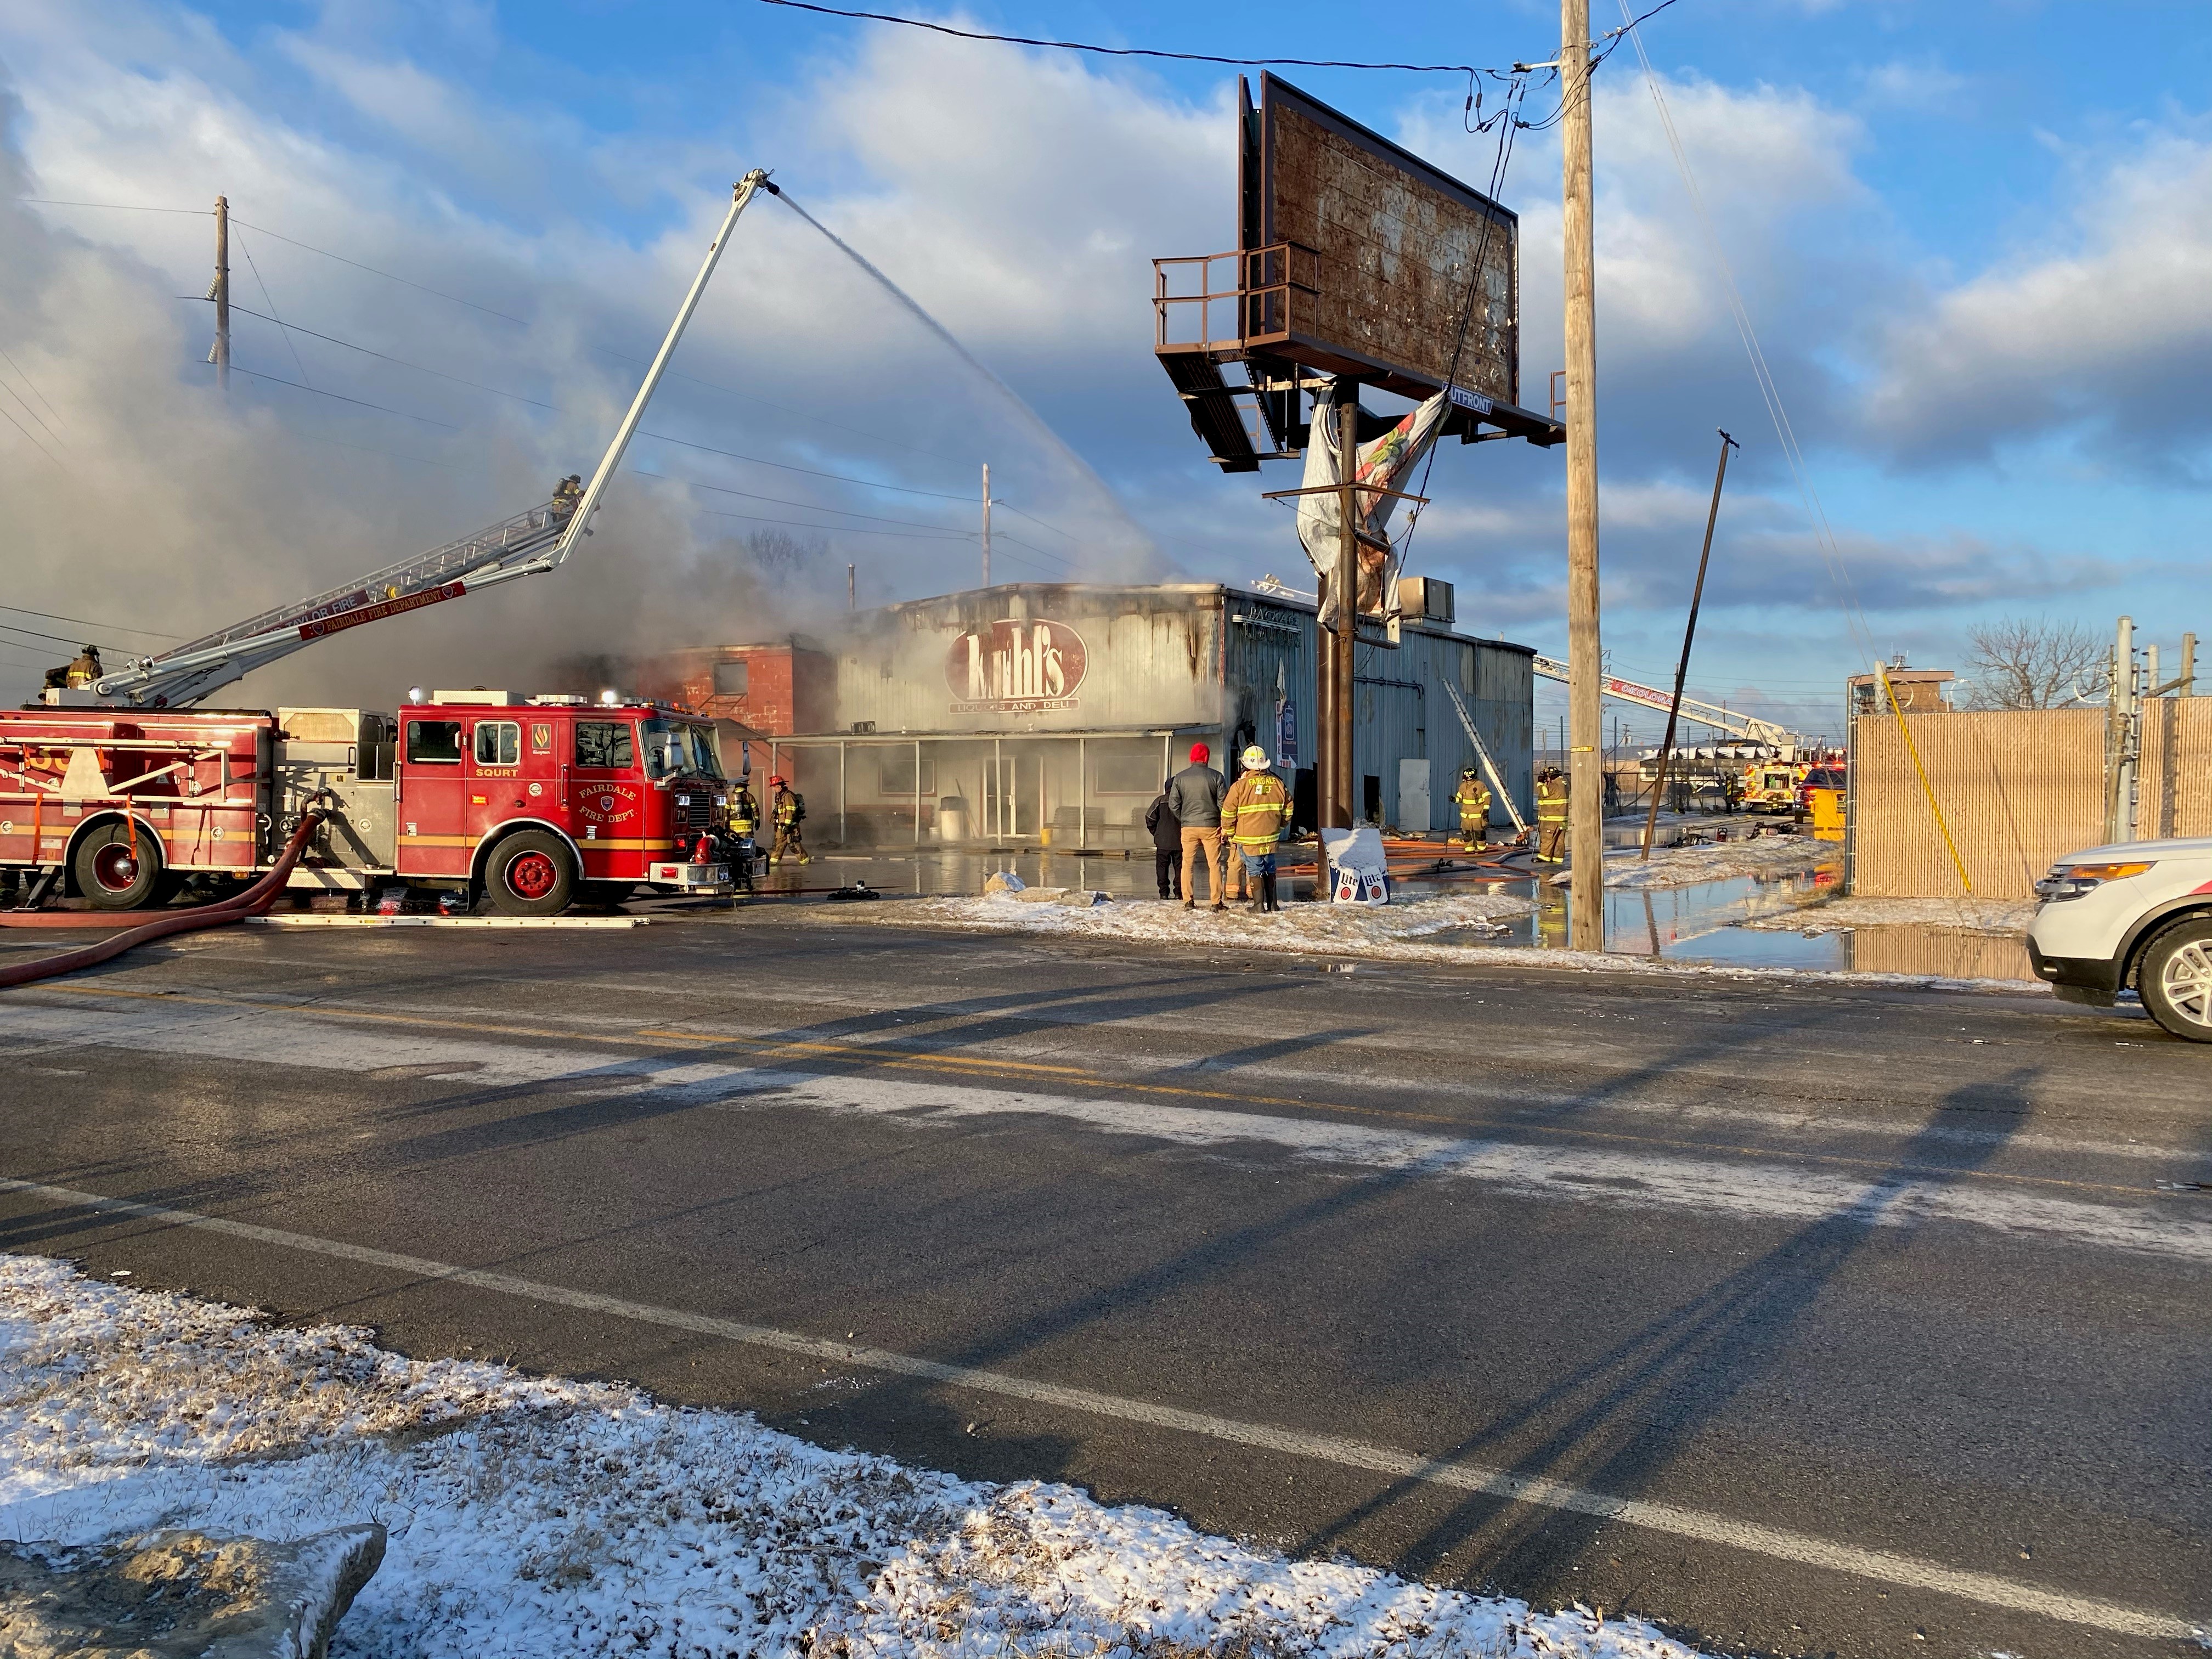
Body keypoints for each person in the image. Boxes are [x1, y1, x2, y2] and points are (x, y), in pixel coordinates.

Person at [1220, 745, 1289, 912]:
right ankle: (1272, 904)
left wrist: (1230, 833)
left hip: (1248, 839)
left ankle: (1258, 905)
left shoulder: (1239, 787)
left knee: (1255, 869)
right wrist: (1280, 825)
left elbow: (1228, 813)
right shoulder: (1278, 783)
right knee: (1270, 867)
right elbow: (1288, 809)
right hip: (1271, 837)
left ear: (1245, 766)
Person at [1165, 741, 1228, 911]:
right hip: (1211, 826)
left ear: (1191, 758)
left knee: (1187, 864)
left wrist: (1184, 819)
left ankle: (1188, 901)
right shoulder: (1217, 776)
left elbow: (1173, 804)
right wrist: (1221, 822)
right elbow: (1224, 804)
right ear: (1207, 757)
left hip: (1188, 827)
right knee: (1214, 865)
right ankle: (1216, 902)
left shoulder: (1180, 778)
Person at [1143, 778, 1183, 900]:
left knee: (1162, 868)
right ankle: (1179, 893)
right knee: (1180, 868)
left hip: (1163, 842)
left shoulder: (1160, 801)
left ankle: (1164, 893)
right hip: (1180, 841)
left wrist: (1156, 833)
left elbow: (1150, 818)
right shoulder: (1183, 801)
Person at [769, 774, 809, 865]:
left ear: (779, 786)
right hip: (782, 827)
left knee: (795, 846)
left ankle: (805, 863)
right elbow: (780, 811)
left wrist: (787, 825)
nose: (773, 789)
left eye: (774, 787)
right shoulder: (780, 796)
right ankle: (773, 864)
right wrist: (775, 814)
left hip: (790, 827)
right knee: (778, 845)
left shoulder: (788, 796)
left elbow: (791, 812)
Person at [1452, 766, 1493, 853]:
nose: (1467, 780)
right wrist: (1454, 800)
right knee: (1466, 833)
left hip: (1477, 815)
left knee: (1479, 833)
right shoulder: (1463, 786)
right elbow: (1459, 798)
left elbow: (1488, 798)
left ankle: (1481, 849)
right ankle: (1469, 849)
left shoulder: (1480, 785)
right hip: (1466, 815)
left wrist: (1486, 810)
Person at [1535, 765, 1568, 865]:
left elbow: (1543, 792)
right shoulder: (1564, 784)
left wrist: (1540, 782)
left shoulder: (1555, 786)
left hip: (1551, 818)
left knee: (1547, 838)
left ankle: (1544, 857)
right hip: (1561, 819)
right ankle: (1557, 858)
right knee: (1559, 840)